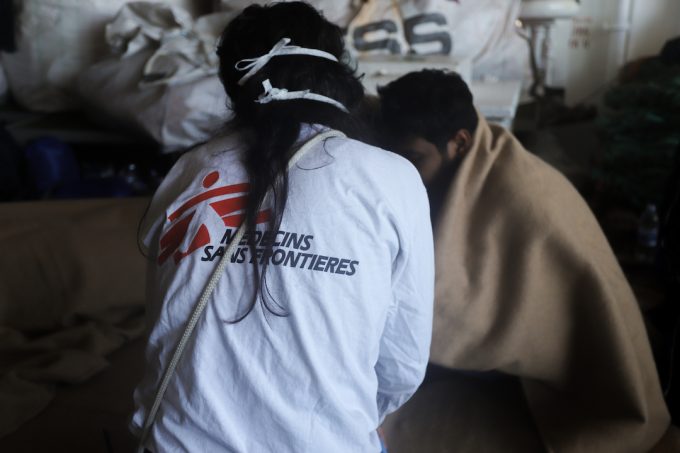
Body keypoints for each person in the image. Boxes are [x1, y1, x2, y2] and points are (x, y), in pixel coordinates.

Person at [130, 3, 434, 452]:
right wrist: (357, 420)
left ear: (236, 86)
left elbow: (165, 316)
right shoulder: (392, 177)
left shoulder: (190, 170)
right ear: (336, 79)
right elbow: (403, 362)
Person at [375, 69, 676, 452]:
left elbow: (450, 313)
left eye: (413, 158)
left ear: (460, 142)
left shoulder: (515, 197)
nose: (400, 172)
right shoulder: (468, 155)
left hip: (585, 388)